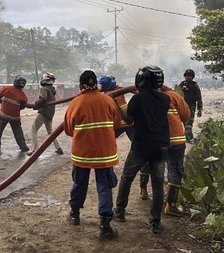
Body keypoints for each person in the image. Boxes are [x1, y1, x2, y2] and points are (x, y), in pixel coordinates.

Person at [64, 70, 121, 240]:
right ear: (96, 83)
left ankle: (74, 214)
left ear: (81, 85)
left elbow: (68, 130)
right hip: (105, 153)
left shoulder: (75, 103)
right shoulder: (108, 100)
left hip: (82, 154)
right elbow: (117, 123)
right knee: (104, 186)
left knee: (79, 183)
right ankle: (105, 226)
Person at [114, 66, 170, 234]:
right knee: (158, 183)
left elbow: (129, 119)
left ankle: (120, 211)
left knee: (127, 178)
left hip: (141, 146)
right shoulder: (165, 99)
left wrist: (116, 104)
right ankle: (155, 222)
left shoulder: (138, 99)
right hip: (160, 146)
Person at [137, 85, 190, 215]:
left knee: (150, 166)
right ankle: (171, 205)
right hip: (175, 139)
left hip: (154, 140)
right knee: (175, 169)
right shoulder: (173, 96)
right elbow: (186, 116)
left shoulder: (142, 98)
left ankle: (144, 190)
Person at [27, 72, 63, 156]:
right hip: (50, 113)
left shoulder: (44, 89)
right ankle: (59, 148)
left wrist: (36, 104)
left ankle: (35, 151)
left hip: (44, 112)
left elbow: (43, 99)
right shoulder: (52, 90)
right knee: (50, 132)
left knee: (33, 130)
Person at [0, 75, 30, 155]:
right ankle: (23, 147)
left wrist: (3, 101)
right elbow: (22, 107)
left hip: (4, 115)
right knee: (18, 132)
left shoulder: (7, 88)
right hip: (15, 117)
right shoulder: (23, 96)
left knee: (0, 131)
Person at [178, 69, 203, 143]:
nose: (188, 77)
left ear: (192, 77)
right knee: (185, 123)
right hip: (182, 106)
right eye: (187, 76)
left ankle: (189, 137)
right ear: (185, 76)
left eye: (190, 76)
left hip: (191, 107)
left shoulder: (195, 86)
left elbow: (199, 98)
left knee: (189, 123)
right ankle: (188, 136)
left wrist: (200, 109)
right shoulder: (181, 85)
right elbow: (177, 95)